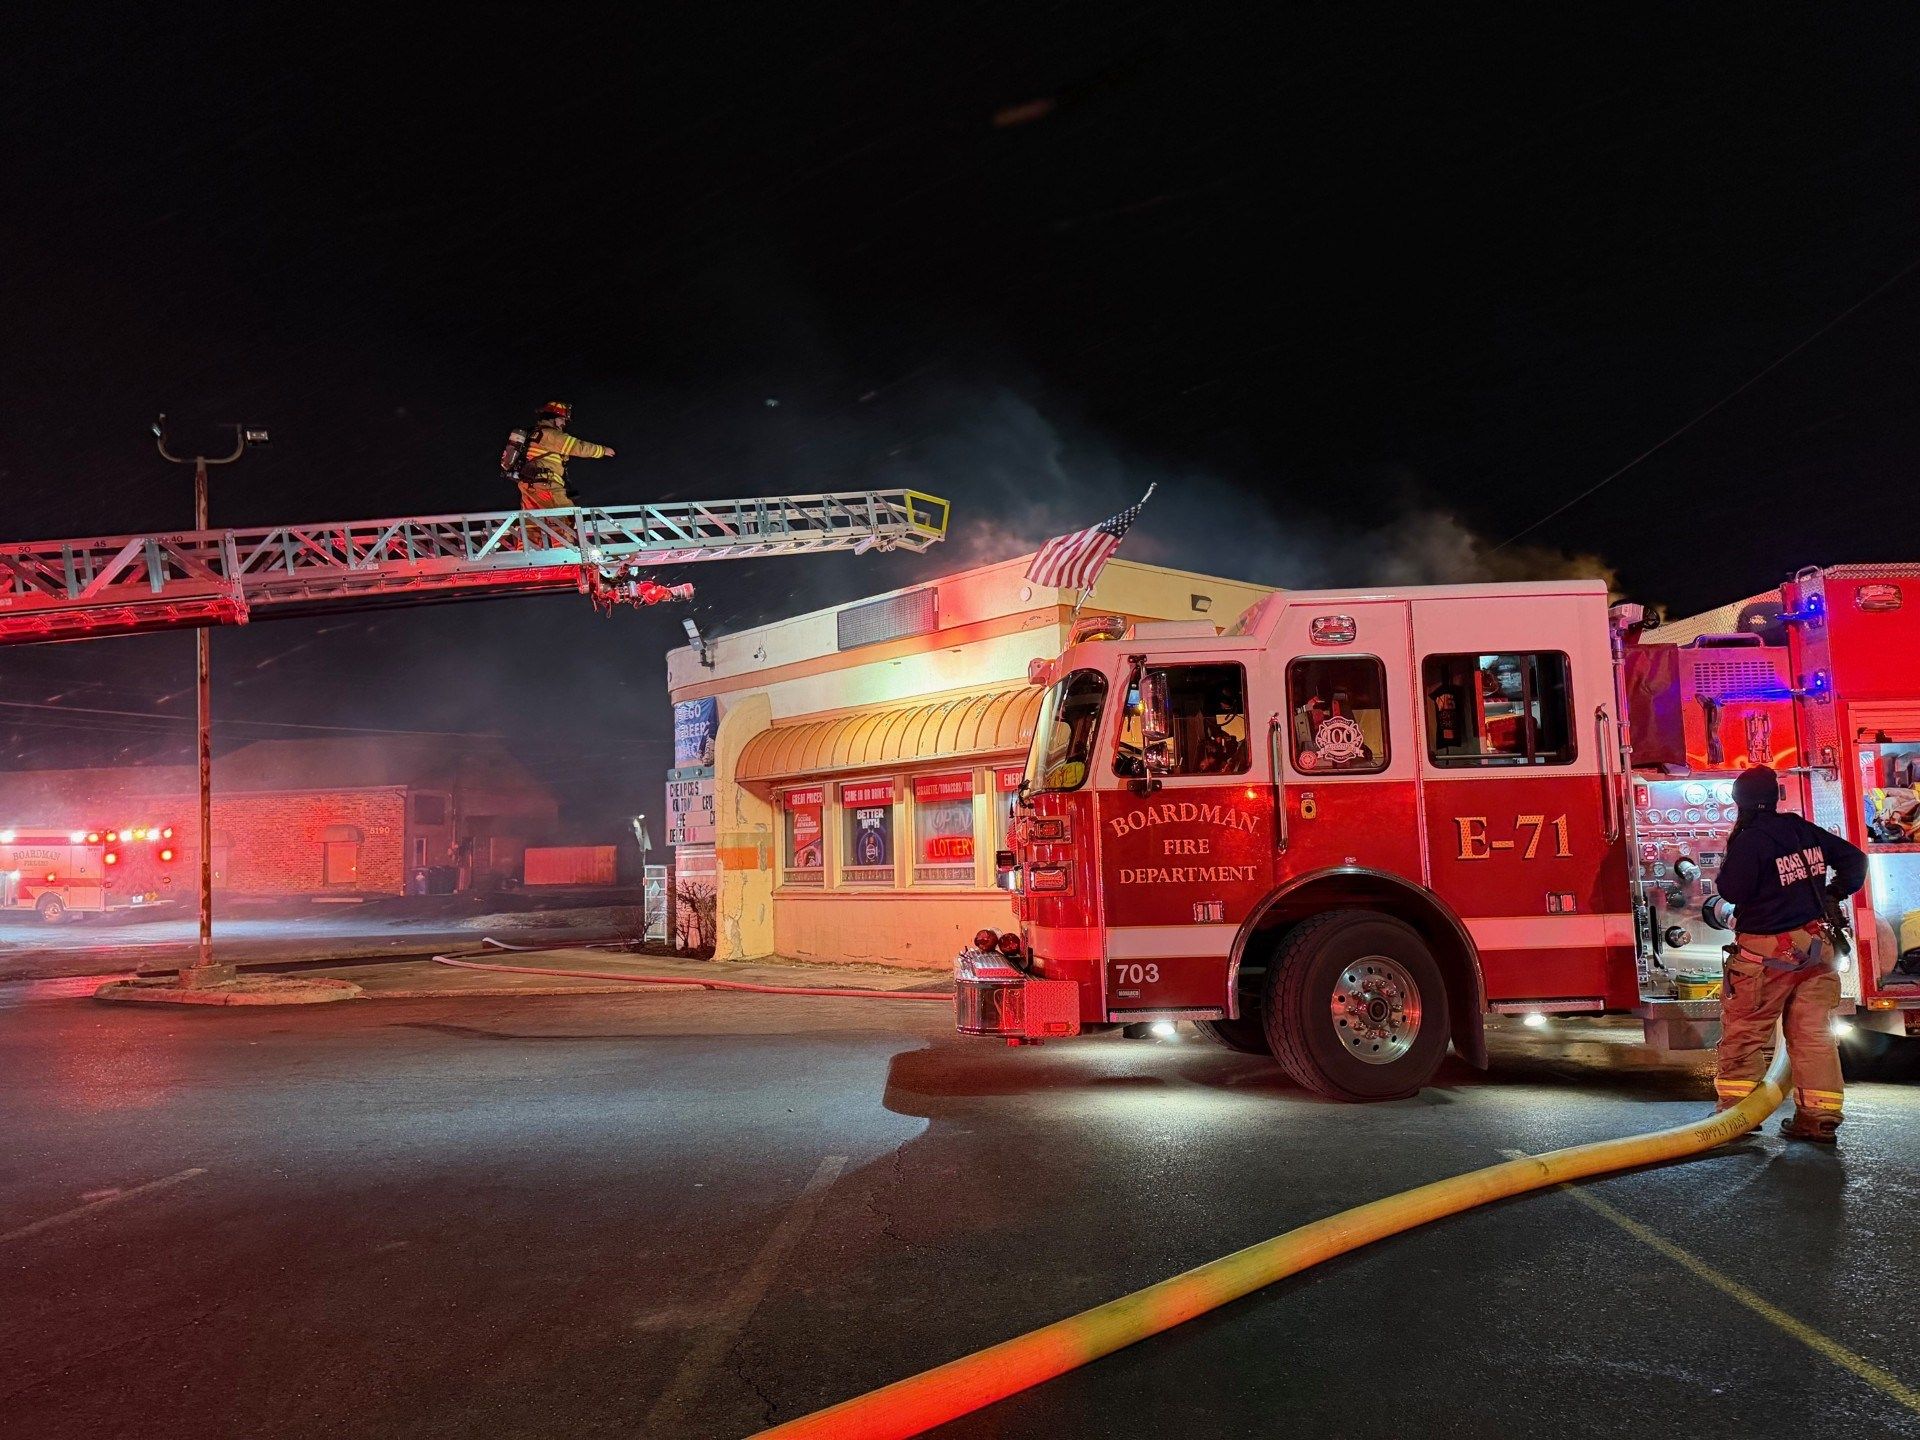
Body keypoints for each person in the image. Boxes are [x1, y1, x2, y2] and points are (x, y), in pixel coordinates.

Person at [1711, 765, 1866, 1142]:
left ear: (1738, 801)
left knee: (1745, 1032)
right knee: (1814, 1035)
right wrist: (1833, 893)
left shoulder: (1750, 839)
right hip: (1815, 947)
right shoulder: (1800, 828)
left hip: (1765, 954)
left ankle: (1736, 1117)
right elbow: (1855, 860)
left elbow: (1732, 890)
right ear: (1777, 796)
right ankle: (1820, 1117)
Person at [514, 401, 616, 509]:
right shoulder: (550, 435)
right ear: (552, 418)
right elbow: (577, 446)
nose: (564, 423)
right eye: (562, 419)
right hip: (546, 485)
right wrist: (602, 450)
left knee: (534, 521)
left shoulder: (535, 434)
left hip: (530, 485)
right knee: (566, 517)